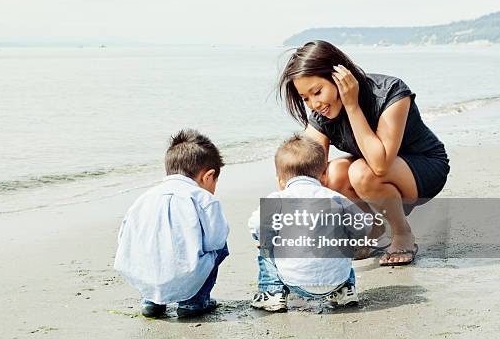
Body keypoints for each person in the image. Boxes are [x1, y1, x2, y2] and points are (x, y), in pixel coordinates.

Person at [278, 40, 450, 266]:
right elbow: (305, 167)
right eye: (305, 98)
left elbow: (379, 164)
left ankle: (402, 233)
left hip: (424, 167)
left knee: (361, 172)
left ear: (339, 76)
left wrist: (352, 106)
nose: (314, 104)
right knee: (333, 173)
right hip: (375, 170)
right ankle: (370, 228)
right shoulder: (322, 112)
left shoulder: (390, 92)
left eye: (317, 92)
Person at [114, 129, 230, 318]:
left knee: (153, 245)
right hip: (185, 276)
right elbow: (216, 241)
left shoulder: (144, 198)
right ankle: (194, 302)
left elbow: (124, 239)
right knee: (221, 246)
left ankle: (151, 300)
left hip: (141, 276)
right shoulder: (203, 199)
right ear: (208, 176)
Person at [249, 134, 369, 312]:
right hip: (335, 281)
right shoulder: (336, 198)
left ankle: (272, 293)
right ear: (324, 175)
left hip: (294, 281)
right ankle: (345, 291)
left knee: (266, 248)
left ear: (280, 181)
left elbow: (256, 225)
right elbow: (363, 225)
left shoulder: (278, 199)